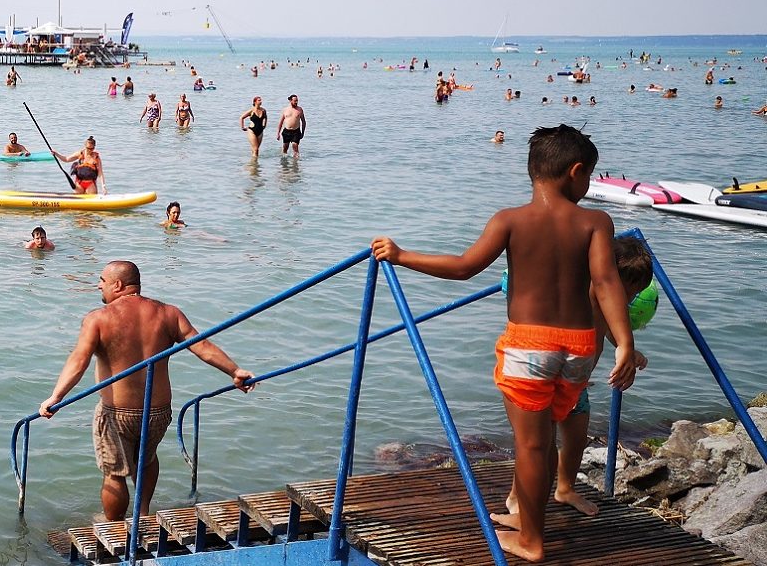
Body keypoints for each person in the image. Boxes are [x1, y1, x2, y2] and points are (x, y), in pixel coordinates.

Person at [371, 124, 638, 562]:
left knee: (532, 445)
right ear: (575, 172)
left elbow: (463, 267)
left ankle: (532, 540)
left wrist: (400, 256)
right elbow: (607, 281)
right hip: (580, 348)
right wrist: (623, 342)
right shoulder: (596, 223)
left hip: (529, 346)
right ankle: (524, 517)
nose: (588, 184)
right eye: (589, 176)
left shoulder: (510, 220)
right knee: (544, 439)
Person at [38, 261, 254, 522]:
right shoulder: (168, 313)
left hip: (116, 412)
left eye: (102, 281)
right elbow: (203, 346)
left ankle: (114, 526)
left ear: (117, 285)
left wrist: (56, 397)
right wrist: (235, 371)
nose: (99, 285)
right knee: (147, 460)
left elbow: (79, 360)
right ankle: (142, 514)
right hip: (158, 412)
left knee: (115, 472)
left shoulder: (98, 318)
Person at [504, 238, 653, 519]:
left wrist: (629, 352)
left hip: (577, 384)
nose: (629, 302)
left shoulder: (609, 307)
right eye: (628, 294)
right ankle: (516, 495)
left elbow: (610, 331)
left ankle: (565, 487)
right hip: (553, 380)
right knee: (537, 442)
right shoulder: (581, 294)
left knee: (576, 439)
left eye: (633, 297)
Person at [277, 94, 308, 159]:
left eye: (297, 101)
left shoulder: (300, 110)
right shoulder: (285, 110)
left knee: (295, 145)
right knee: (285, 147)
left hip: (296, 131)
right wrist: (278, 133)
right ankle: (284, 164)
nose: (296, 102)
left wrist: (303, 133)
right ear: (290, 101)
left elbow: (303, 122)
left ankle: (295, 165)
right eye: (295, 101)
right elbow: (281, 122)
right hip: (286, 131)